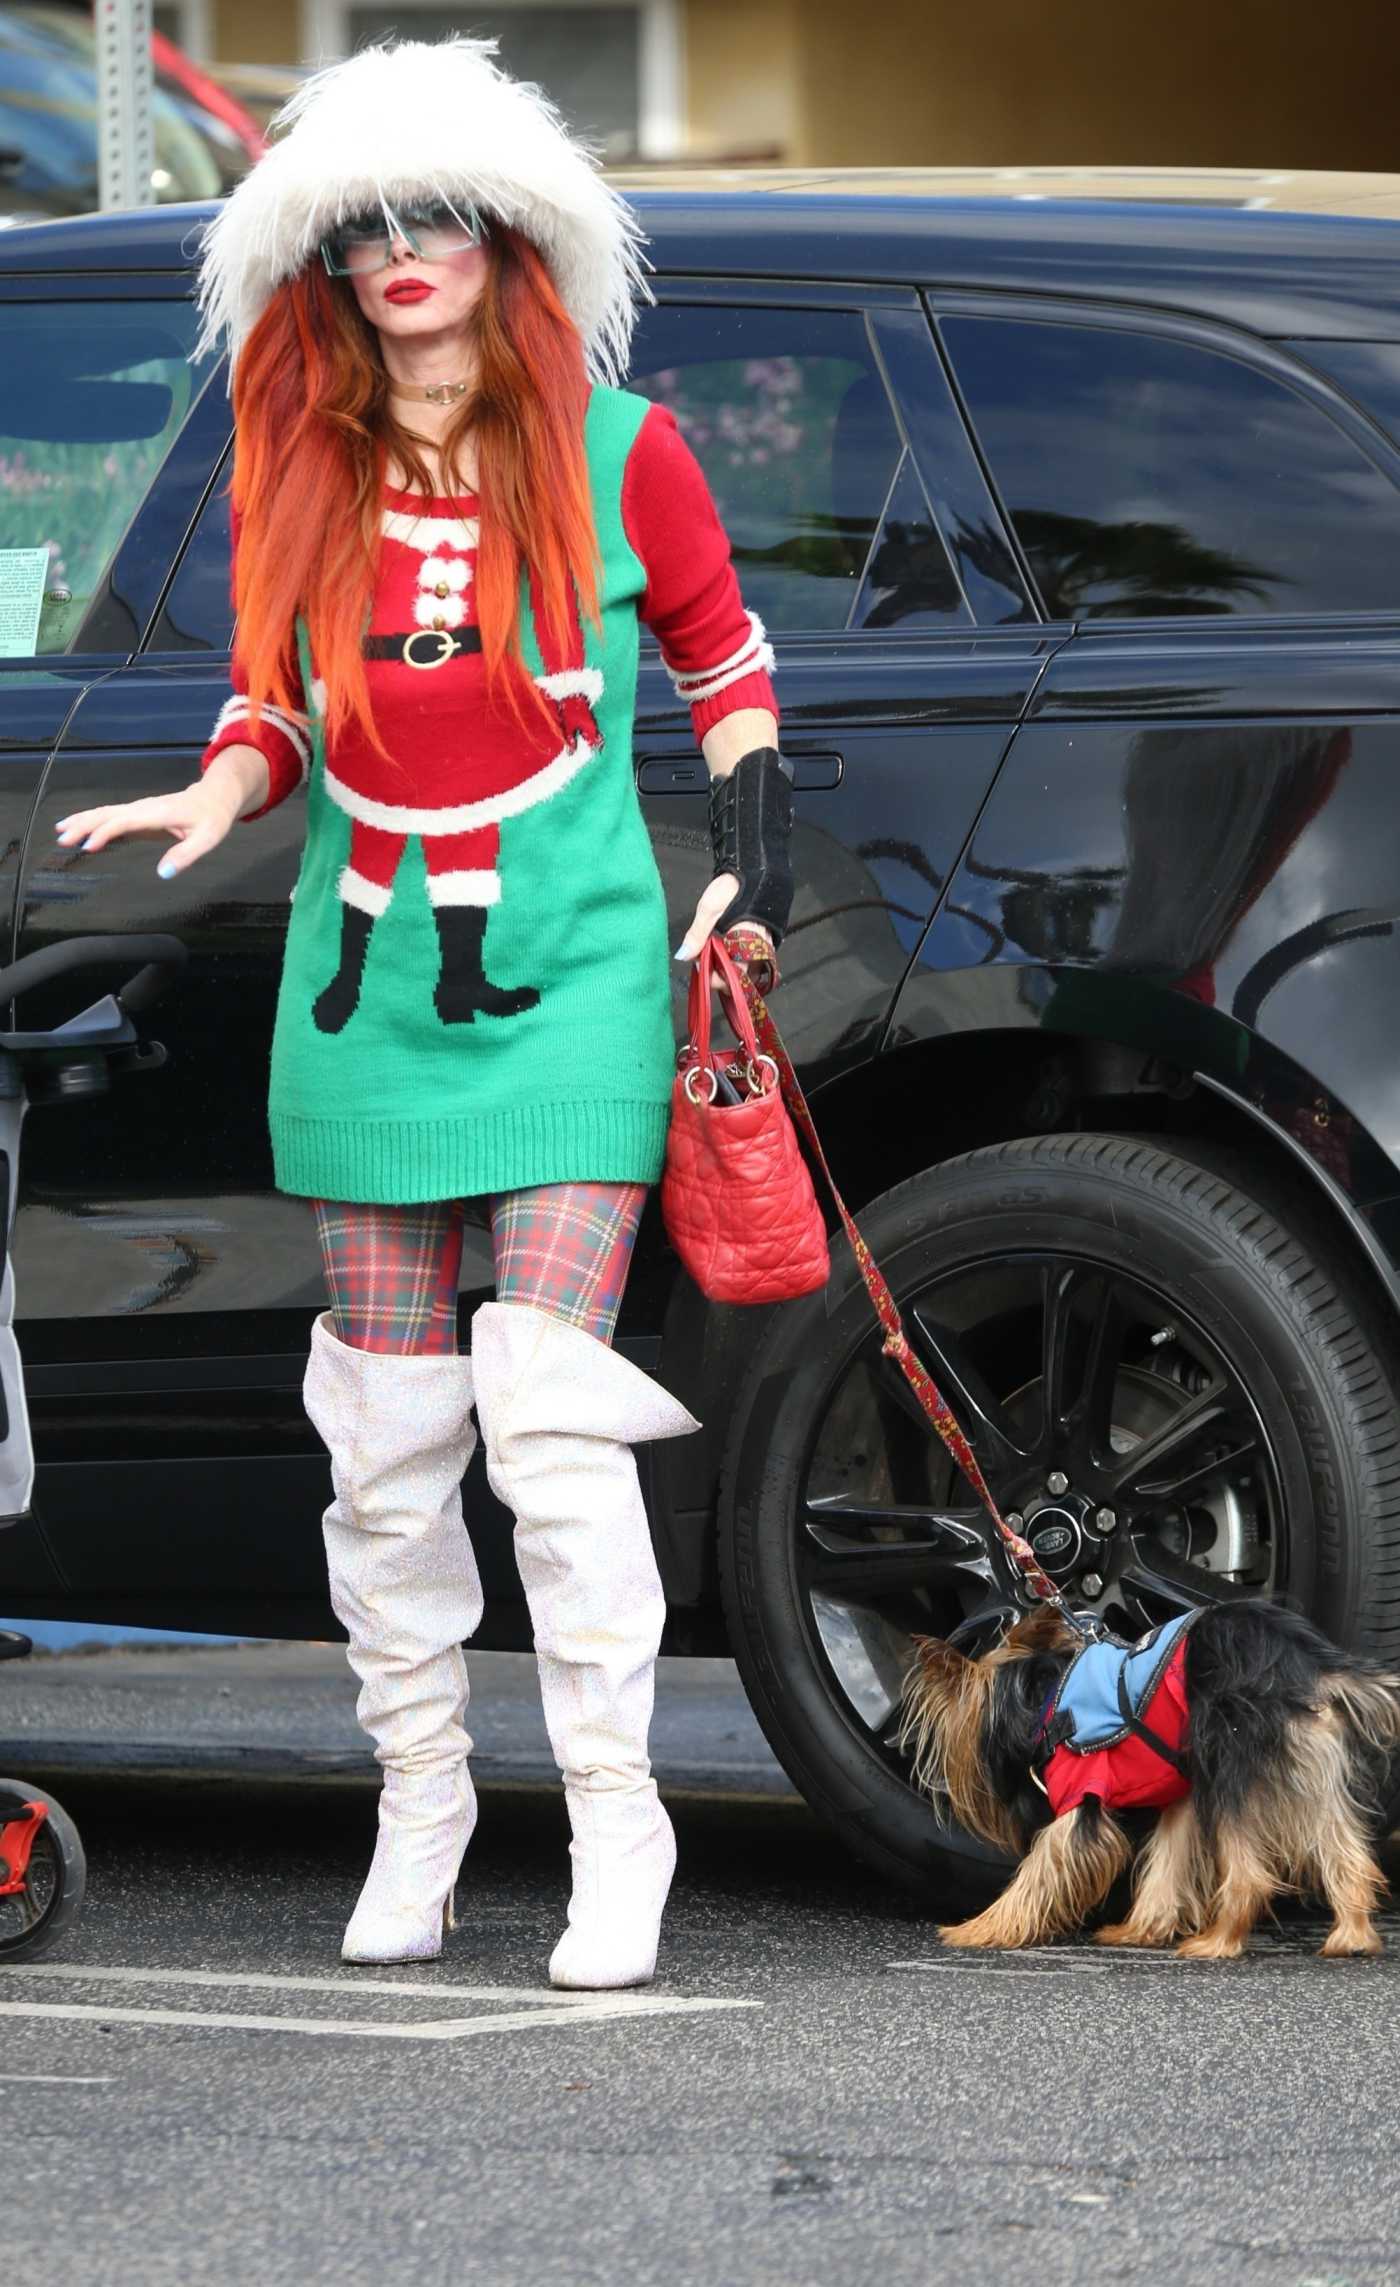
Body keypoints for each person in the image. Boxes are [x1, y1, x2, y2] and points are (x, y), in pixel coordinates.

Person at [52, 36, 793, 1990]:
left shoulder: (626, 452)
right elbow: (271, 702)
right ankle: (422, 1802)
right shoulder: (298, 470)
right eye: (364, 224)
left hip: (571, 995)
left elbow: (728, 668)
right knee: (381, 1439)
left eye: (437, 215)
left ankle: (617, 1824)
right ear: (325, 262)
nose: (402, 251)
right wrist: (214, 791)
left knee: (544, 1418)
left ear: (506, 242)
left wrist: (753, 866)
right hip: (363, 994)